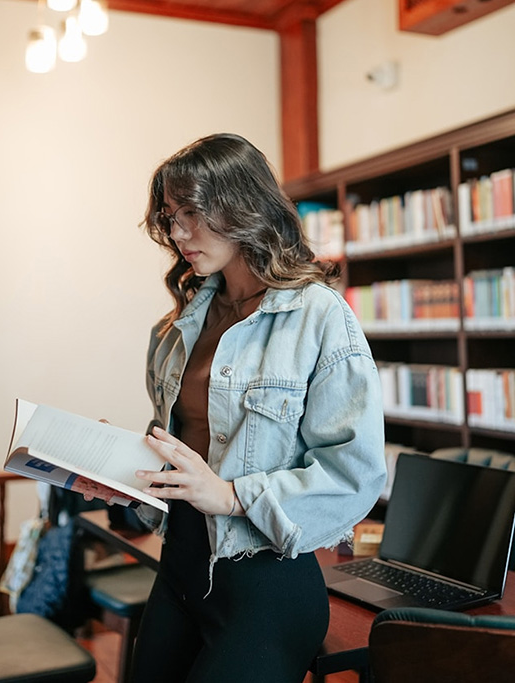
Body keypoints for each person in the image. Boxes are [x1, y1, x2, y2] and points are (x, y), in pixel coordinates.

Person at [125, 133, 385, 682]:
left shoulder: (319, 317)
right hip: (180, 567)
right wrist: (119, 472)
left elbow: (354, 473)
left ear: (242, 207)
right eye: (170, 216)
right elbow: (183, 452)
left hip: (264, 582)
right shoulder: (176, 326)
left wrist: (231, 495)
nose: (177, 232)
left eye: (192, 212)